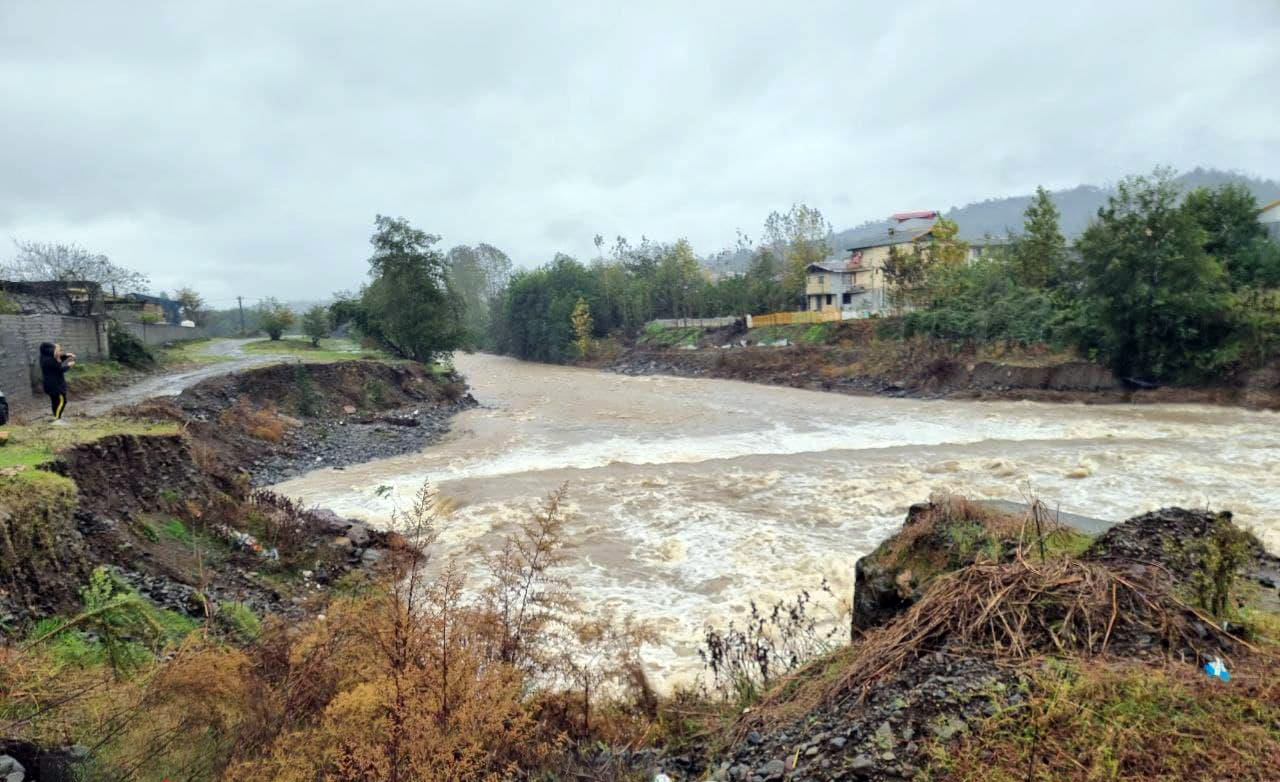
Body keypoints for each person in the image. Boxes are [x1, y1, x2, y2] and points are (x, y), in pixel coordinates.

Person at [39, 342, 75, 423]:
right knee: (62, 401)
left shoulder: (44, 357)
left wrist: (66, 355)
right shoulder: (49, 360)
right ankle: (57, 419)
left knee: (55, 402)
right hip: (55, 386)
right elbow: (59, 369)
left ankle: (56, 417)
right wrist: (69, 365)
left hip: (50, 385)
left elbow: (57, 360)